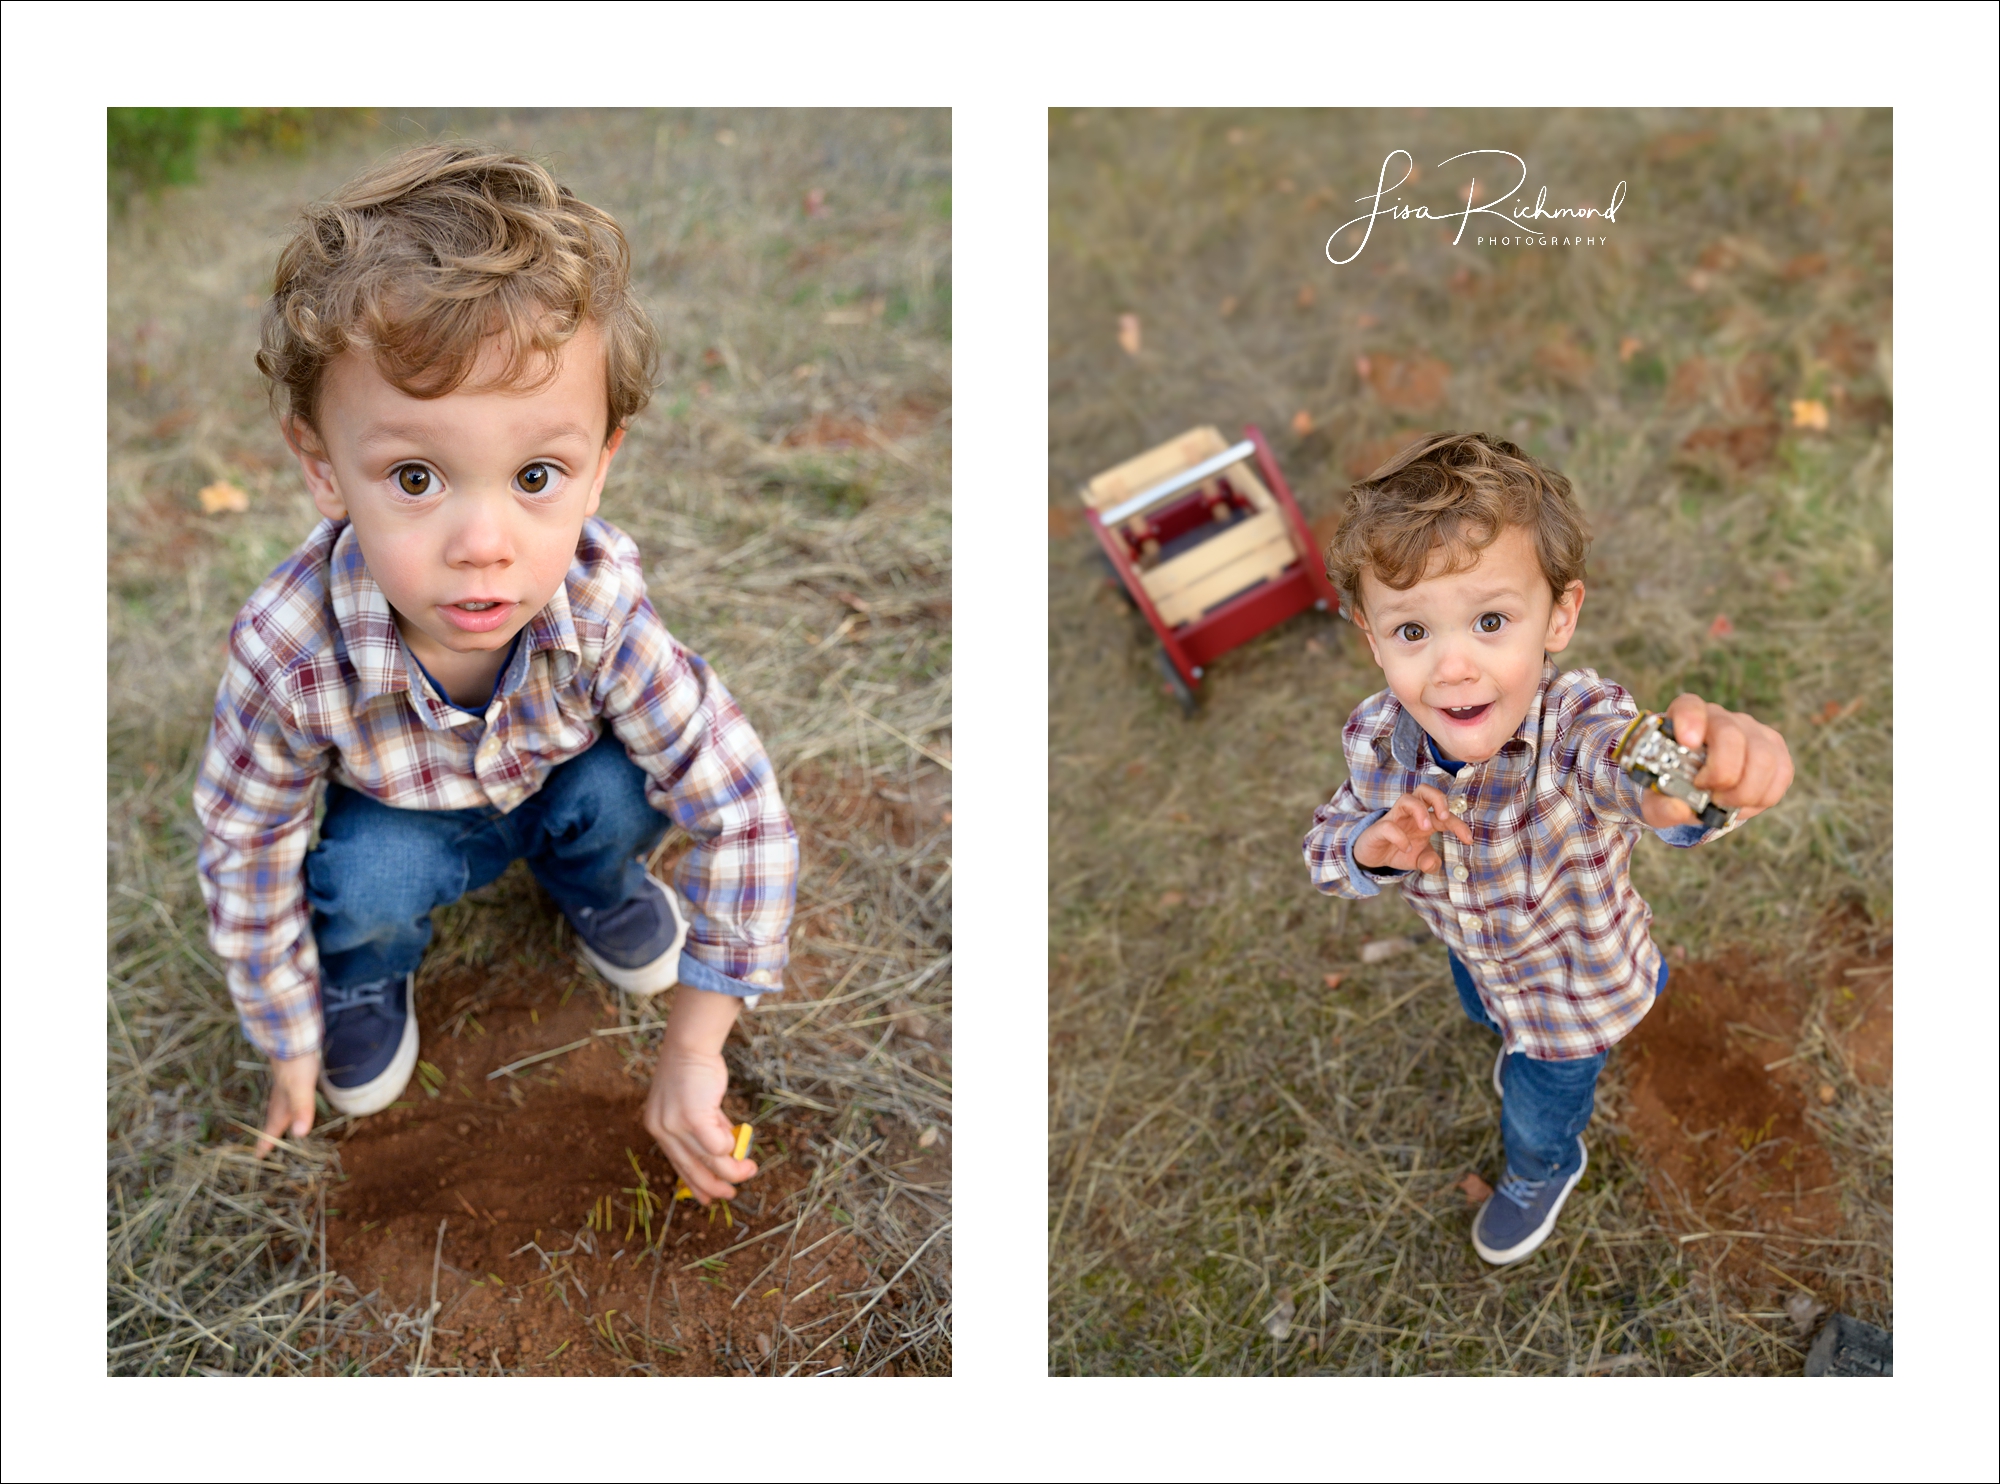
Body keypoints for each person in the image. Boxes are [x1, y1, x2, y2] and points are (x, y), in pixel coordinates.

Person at [193, 143, 797, 1207]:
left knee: (621, 788)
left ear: (600, 461)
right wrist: (283, 1030)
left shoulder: (599, 603)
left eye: (534, 475)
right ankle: (368, 971)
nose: (484, 541)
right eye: (416, 475)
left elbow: (739, 805)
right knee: (367, 879)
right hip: (401, 819)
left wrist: (697, 1044)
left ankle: (597, 884)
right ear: (324, 467)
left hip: (556, 785)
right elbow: (248, 845)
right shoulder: (287, 650)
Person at [1302, 432, 1793, 1265]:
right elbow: (1325, 845)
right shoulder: (1378, 739)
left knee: (1536, 1102)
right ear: (1371, 636)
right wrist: (1372, 847)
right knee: (1479, 1007)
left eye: (1491, 620)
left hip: (1573, 997)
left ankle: (1544, 1166)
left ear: (1559, 616)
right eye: (1413, 630)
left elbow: (1635, 767)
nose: (1454, 666)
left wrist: (1705, 781)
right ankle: (1504, 1030)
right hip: (1478, 957)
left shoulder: (1573, 725)